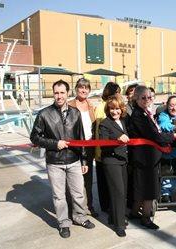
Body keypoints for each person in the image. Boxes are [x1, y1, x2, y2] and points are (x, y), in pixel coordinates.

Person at [30, 80, 95, 238]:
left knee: (78, 193)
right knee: (59, 196)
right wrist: (54, 144)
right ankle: (64, 223)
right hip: (55, 162)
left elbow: (81, 138)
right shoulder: (44, 114)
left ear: (67, 93)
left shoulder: (75, 113)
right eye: (56, 93)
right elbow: (35, 137)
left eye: (62, 93)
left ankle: (80, 217)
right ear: (53, 94)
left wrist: (84, 160)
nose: (59, 96)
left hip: (73, 160)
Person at [128, 85, 176, 230]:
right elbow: (154, 135)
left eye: (150, 97)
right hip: (145, 158)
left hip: (147, 157)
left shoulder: (145, 112)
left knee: (142, 187)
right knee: (148, 189)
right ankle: (146, 217)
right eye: (143, 97)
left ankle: (135, 212)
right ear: (136, 98)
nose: (147, 100)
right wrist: (173, 136)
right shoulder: (139, 115)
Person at [99, 95, 129, 237]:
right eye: (111, 108)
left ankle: (114, 217)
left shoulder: (123, 121)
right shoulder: (105, 124)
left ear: (121, 109)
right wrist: (117, 140)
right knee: (118, 192)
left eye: (117, 108)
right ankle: (119, 225)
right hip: (111, 161)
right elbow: (103, 145)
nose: (114, 111)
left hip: (122, 160)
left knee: (122, 192)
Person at [68, 78, 98, 217]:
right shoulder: (69, 106)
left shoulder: (91, 106)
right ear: (76, 89)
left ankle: (89, 207)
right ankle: (74, 208)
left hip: (89, 145)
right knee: (74, 180)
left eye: (86, 88)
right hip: (75, 146)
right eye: (81, 87)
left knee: (88, 178)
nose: (84, 90)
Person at [94, 81, 121, 213]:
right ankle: (106, 206)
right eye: (118, 92)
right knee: (104, 181)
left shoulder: (106, 105)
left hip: (107, 150)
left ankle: (108, 205)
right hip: (104, 150)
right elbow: (101, 131)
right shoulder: (103, 107)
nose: (119, 95)